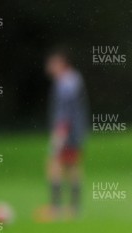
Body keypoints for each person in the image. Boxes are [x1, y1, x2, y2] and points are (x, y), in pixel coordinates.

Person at [44, 47, 89, 220]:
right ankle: (73, 208)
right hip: (76, 131)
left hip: (67, 132)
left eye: (51, 63)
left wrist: (60, 134)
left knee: (54, 165)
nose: (48, 67)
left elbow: (66, 111)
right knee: (72, 167)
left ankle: (56, 208)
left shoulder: (65, 82)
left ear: (60, 63)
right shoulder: (75, 78)